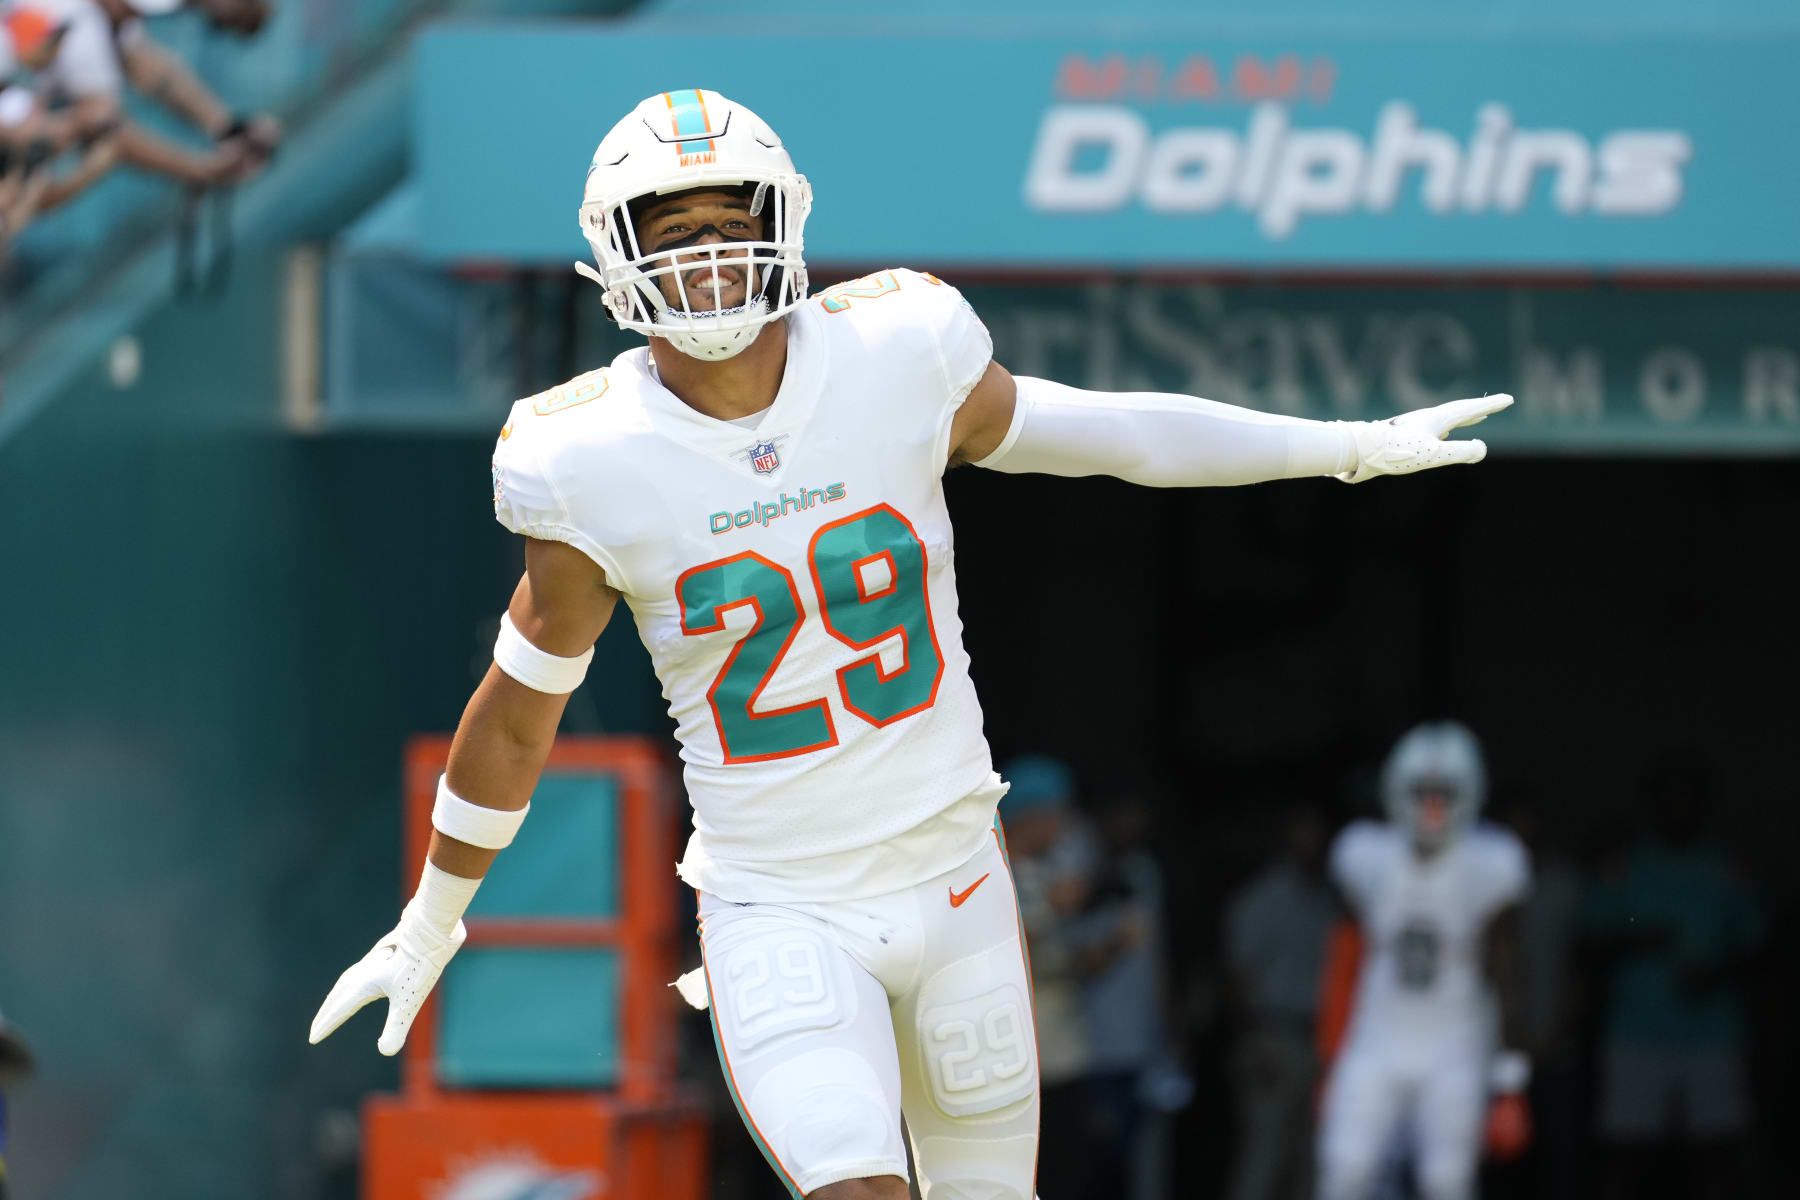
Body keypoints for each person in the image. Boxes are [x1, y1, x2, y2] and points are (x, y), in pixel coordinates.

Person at [306, 89, 1512, 1200]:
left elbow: (1113, 435)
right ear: (618, 259)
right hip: (780, 903)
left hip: (958, 877)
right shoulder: (584, 458)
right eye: (675, 230)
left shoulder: (900, 348)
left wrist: (1340, 445)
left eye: (735, 221)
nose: (713, 254)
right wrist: (433, 916)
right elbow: (519, 713)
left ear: (786, 225)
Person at [1316, 723, 1532, 1200]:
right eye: (1421, 792)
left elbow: (1506, 972)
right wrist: (1330, 1059)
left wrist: (1510, 1080)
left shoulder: (1491, 861)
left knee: (1446, 1182)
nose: (1433, 806)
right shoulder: (1367, 854)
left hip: (1454, 1044)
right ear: (1397, 791)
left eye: (1445, 793)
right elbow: (1344, 959)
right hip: (1377, 1037)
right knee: (1344, 1169)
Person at [1583, 757, 1764, 1200]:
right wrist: (1641, 938)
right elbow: (1589, 941)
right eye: (1670, 801)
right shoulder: (1625, 864)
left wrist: (1717, 974)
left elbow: (1760, 945)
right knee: (1625, 1154)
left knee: (1715, 1154)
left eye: (1689, 802)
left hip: (1711, 1033)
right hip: (1637, 1032)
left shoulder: (1728, 866)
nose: (1679, 811)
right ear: (1654, 807)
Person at [8, 0, 276, 188]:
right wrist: (199, 168)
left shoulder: (103, 17)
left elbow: (154, 70)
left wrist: (228, 126)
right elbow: (106, 126)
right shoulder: (82, 27)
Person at [1223, 800, 1336, 1200]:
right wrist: (1257, 1044)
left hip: (1321, 1040)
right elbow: (1238, 980)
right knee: (1264, 1156)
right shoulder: (1261, 898)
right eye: (1303, 831)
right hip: (1275, 1038)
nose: (1312, 841)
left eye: (1318, 832)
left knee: (1313, 1161)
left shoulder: (1329, 896)